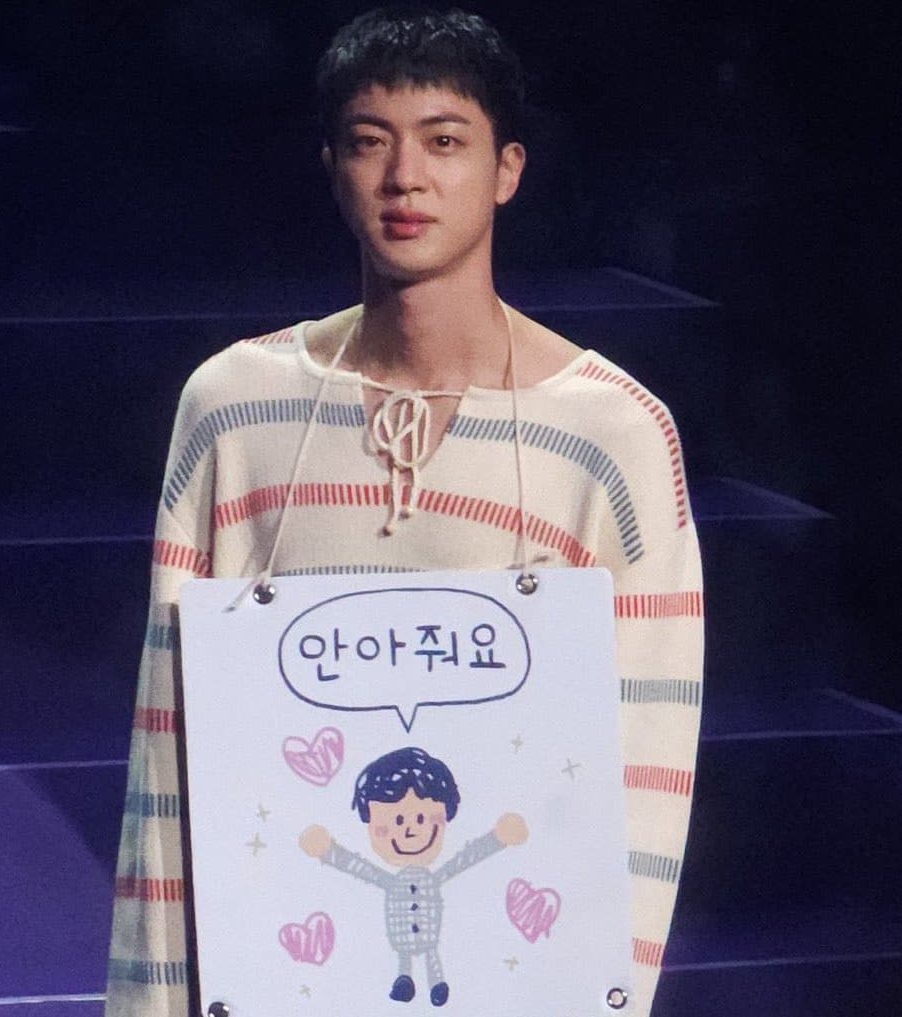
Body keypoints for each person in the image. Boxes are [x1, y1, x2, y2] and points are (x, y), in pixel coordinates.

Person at [105, 7, 704, 1016]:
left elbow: (646, 761)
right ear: (331, 166)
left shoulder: (610, 433)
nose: (404, 178)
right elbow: (171, 750)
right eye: (368, 142)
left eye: (444, 141)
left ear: (507, 169)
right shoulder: (235, 408)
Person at [299, 746, 528, 1007]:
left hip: (428, 931)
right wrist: (328, 851)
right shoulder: (392, 882)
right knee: (405, 955)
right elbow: (359, 867)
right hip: (401, 933)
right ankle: (404, 980)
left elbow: (465, 859)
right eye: (396, 822)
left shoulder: (431, 879)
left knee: (431, 952)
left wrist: (498, 839)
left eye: (421, 819)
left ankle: (437, 983)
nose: (409, 832)